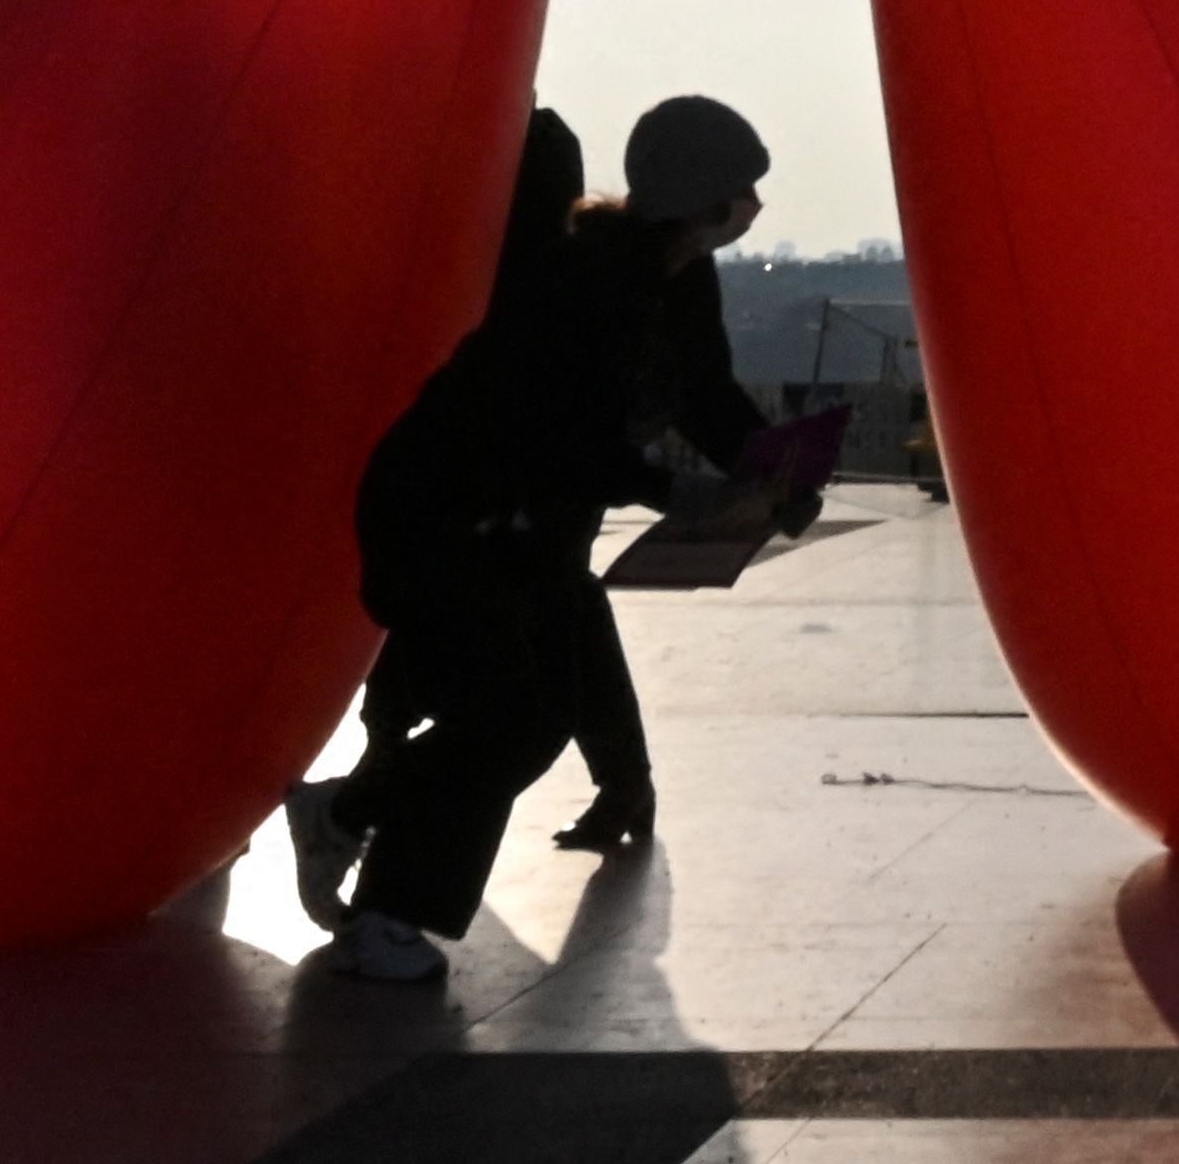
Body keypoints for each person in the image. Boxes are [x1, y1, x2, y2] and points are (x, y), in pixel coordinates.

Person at [289, 95, 817, 981]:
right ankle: (387, 910)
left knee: (537, 714)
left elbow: (706, 394)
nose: (755, 206)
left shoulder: (681, 277)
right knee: (503, 712)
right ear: (700, 196)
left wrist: (778, 480)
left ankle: (346, 816)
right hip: (444, 511)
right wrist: (671, 491)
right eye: (743, 189)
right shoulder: (587, 279)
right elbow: (562, 433)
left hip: (517, 520)